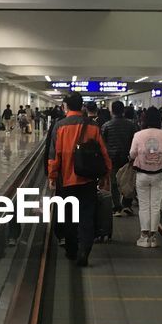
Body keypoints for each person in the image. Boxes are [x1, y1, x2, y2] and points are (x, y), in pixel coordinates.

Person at [48, 93, 112, 267]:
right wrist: (106, 174)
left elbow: (55, 155)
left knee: (68, 215)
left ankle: (72, 250)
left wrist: (52, 176)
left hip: (66, 179)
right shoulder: (92, 126)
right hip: (88, 179)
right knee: (86, 215)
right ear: (81, 106)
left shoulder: (59, 126)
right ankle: (85, 250)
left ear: (66, 106)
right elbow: (103, 152)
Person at [129, 106, 162, 248]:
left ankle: (144, 237)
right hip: (159, 175)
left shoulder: (138, 135)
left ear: (145, 119)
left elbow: (132, 154)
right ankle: (153, 238)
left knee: (144, 206)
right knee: (155, 206)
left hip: (142, 175)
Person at [102, 99, 138, 217]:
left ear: (112, 111)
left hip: (112, 158)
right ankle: (127, 205)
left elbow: (102, 143)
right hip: (128, 158)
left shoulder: (106, 126)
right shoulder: (132, 125)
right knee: (128, 180)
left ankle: (116, 207)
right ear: (123, 110)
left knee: (114, 182)